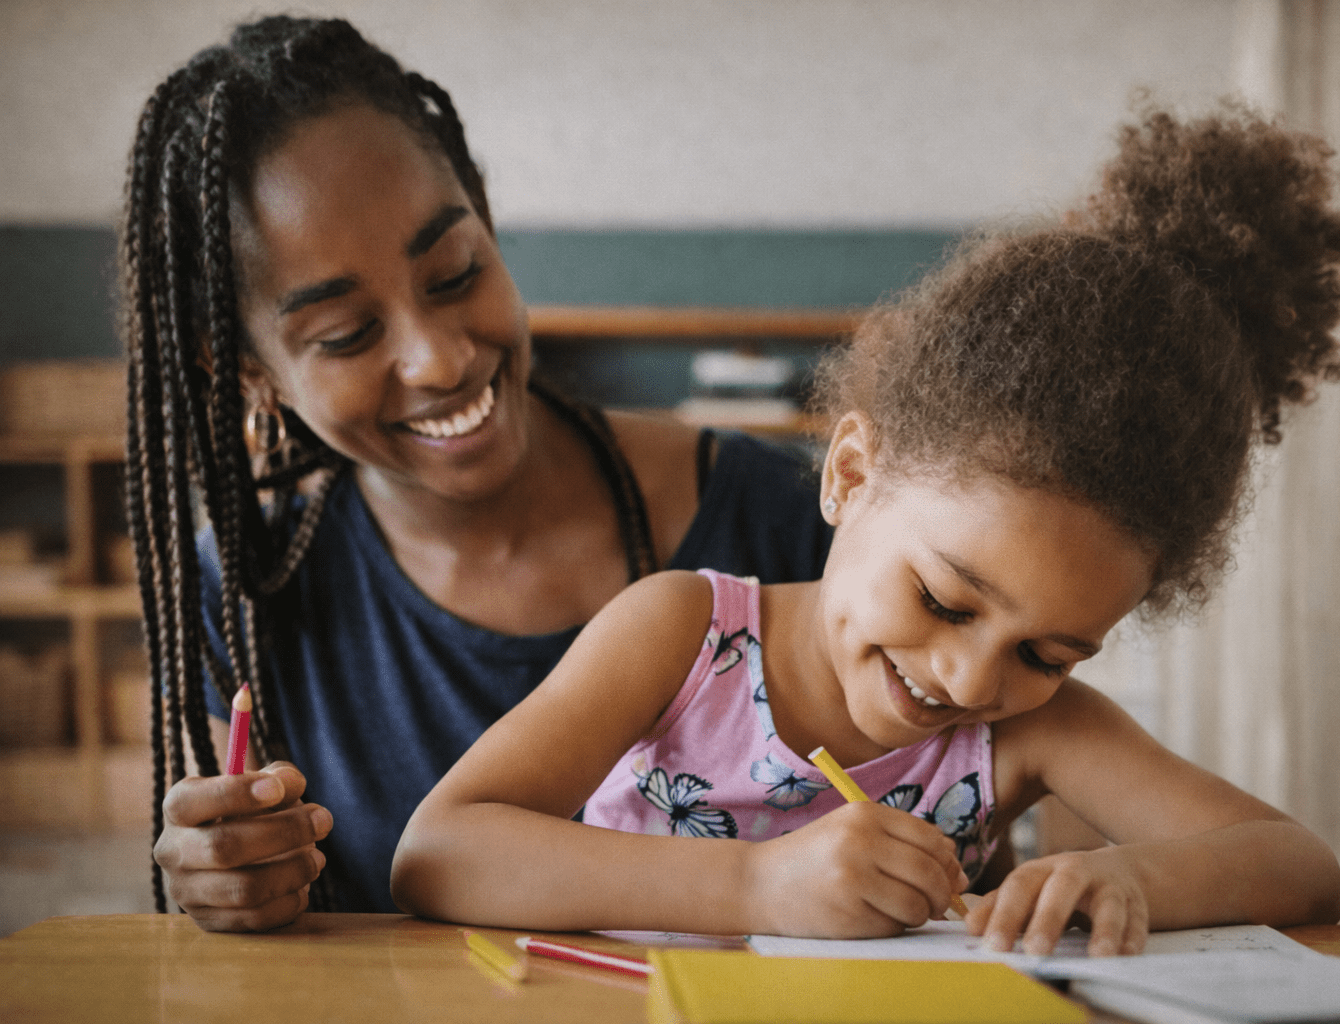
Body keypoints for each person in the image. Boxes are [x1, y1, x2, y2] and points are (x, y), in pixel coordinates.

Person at [391, 102, 1340, 955]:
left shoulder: (1031, 727)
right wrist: (758, 887)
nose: (973, 680)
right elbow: (441, 851)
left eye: (1048, 651)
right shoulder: (682, 635)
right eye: (944, 600)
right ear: (852, 475)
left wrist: (1134, 881)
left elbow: (1299, 866)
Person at [119, 15, 833, 931]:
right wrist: (232, 880)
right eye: (345, 335)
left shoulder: (785, 521)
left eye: (454, 272)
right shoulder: (248, 600)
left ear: (487, 219)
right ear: (249, 371)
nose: (438, 358)